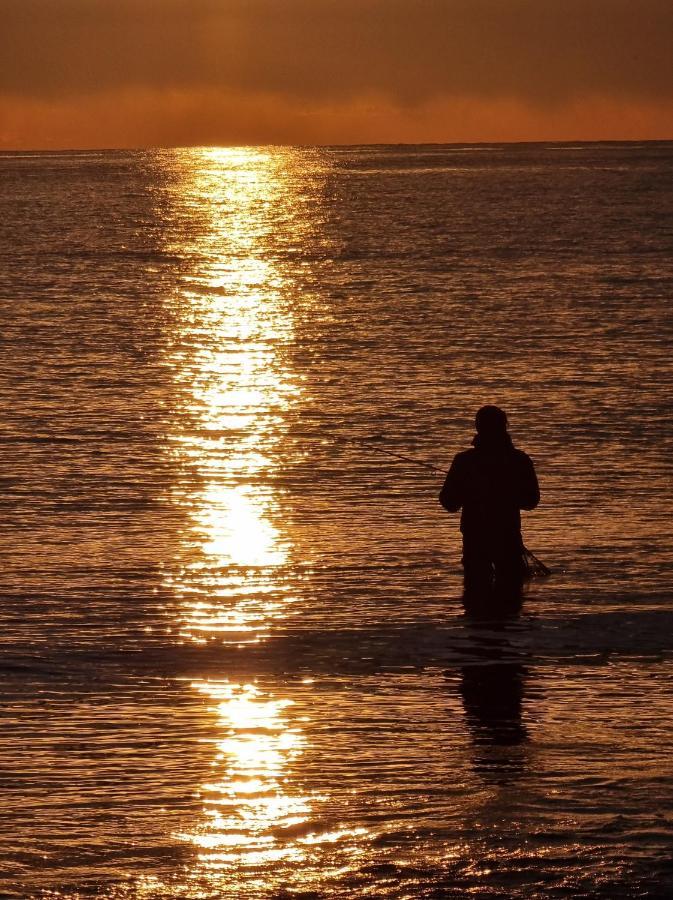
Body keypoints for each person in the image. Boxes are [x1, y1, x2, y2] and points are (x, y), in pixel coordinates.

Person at [439, 406, 539, 594]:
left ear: (478, 428)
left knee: (475, 598)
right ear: (504, 427)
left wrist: (468, 489)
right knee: (510, 600)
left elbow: (448, 502)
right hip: (507, 538)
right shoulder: (519, 460)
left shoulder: (464, 461)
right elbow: (532, 500)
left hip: (476, 540)